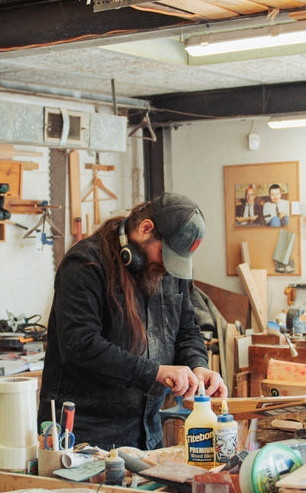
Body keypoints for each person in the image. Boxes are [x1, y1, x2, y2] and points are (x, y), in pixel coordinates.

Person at [40, 193, 227, 451]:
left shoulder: (170, 270)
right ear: (145, 229)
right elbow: (80, 345)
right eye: (164, 253)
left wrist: (199, 366)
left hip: (145, 432)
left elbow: (186, 330)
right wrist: (156, 372)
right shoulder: (86, 264)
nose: (167, 266)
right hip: (84, 436)